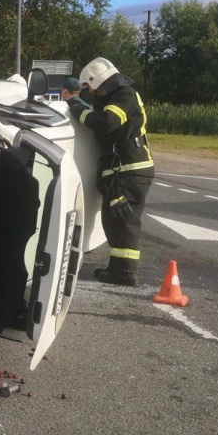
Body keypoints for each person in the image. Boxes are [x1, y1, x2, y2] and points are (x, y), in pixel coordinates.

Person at [66, 57, 154, 286]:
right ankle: (119, 269)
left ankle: (125, 272)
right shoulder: (115, 97)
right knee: (115, 219)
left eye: (92, 88)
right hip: (122, 168)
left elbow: (106, 123)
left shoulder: (124, 96)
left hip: (130, 168)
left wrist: (76, 107)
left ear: (99, 82)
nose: (93, 93)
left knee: (123, 219)